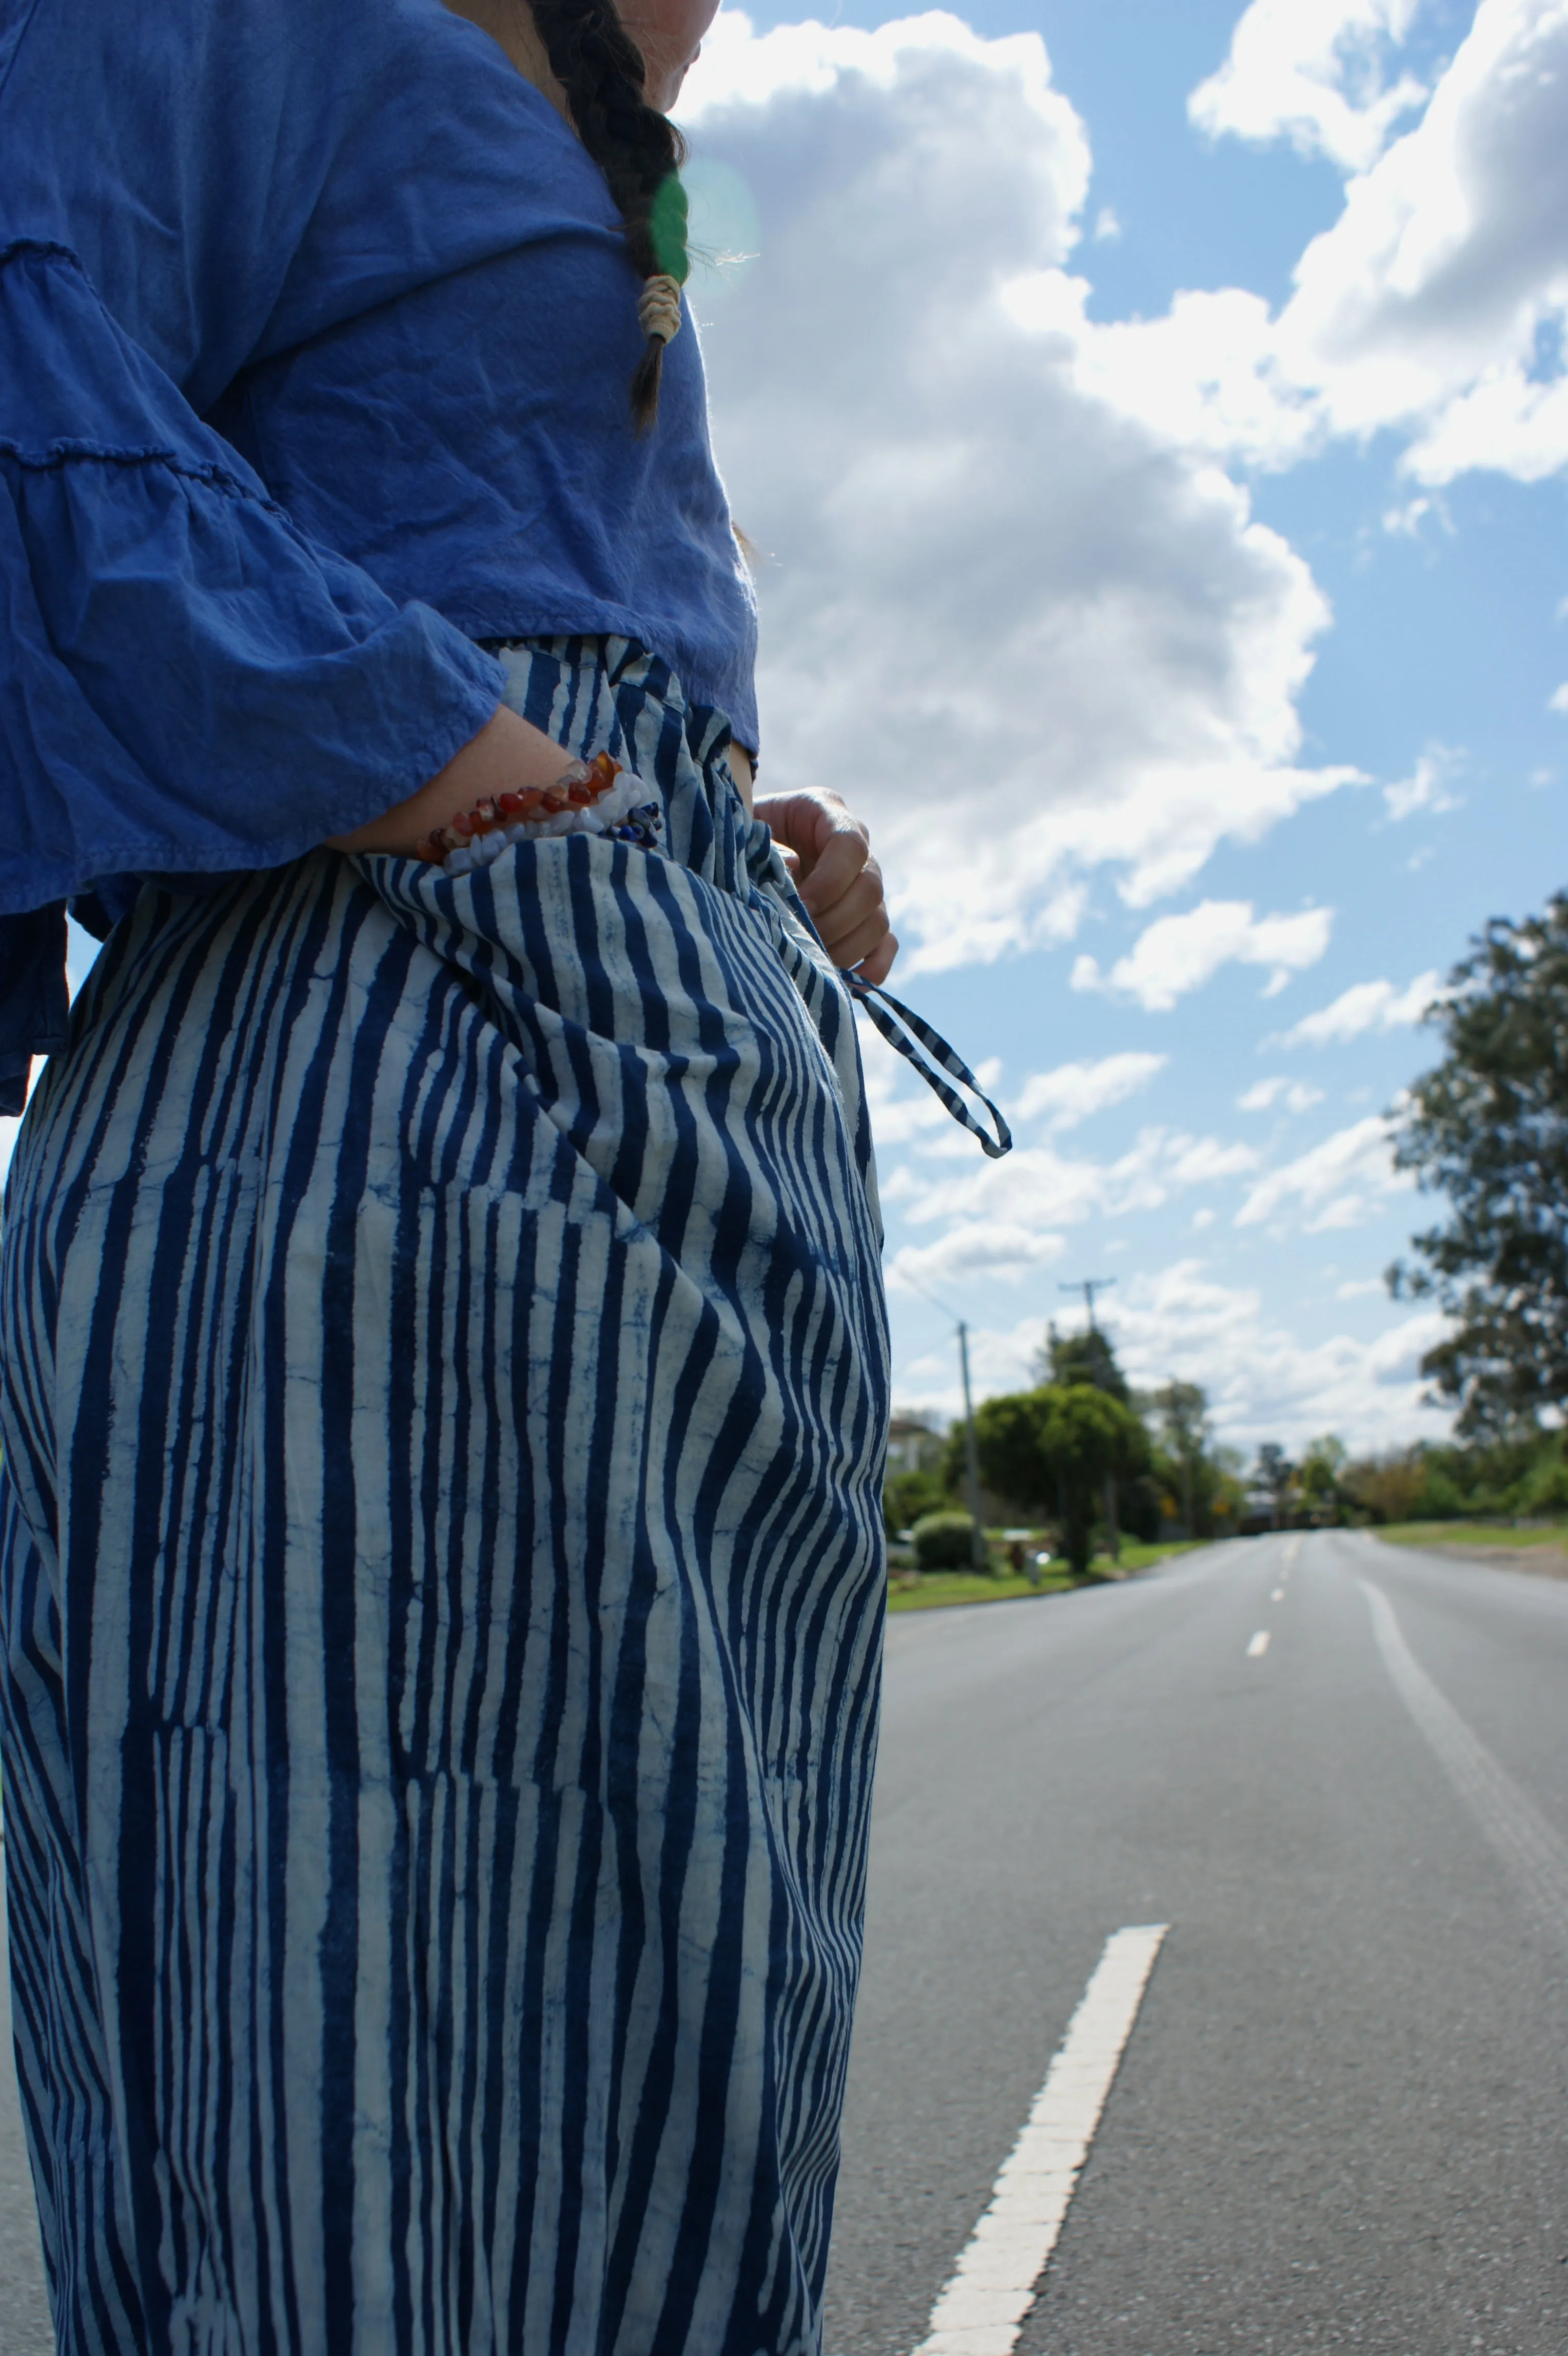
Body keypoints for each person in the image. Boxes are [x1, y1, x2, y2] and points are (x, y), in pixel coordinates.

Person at [0, 0, 1003, 2348]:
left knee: (661, 2099)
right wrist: (463, 771)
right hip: (399, 1080)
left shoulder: (589, 127)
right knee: (393, 2170)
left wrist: (738, 852)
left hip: (656, 1064)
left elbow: (526, 564)